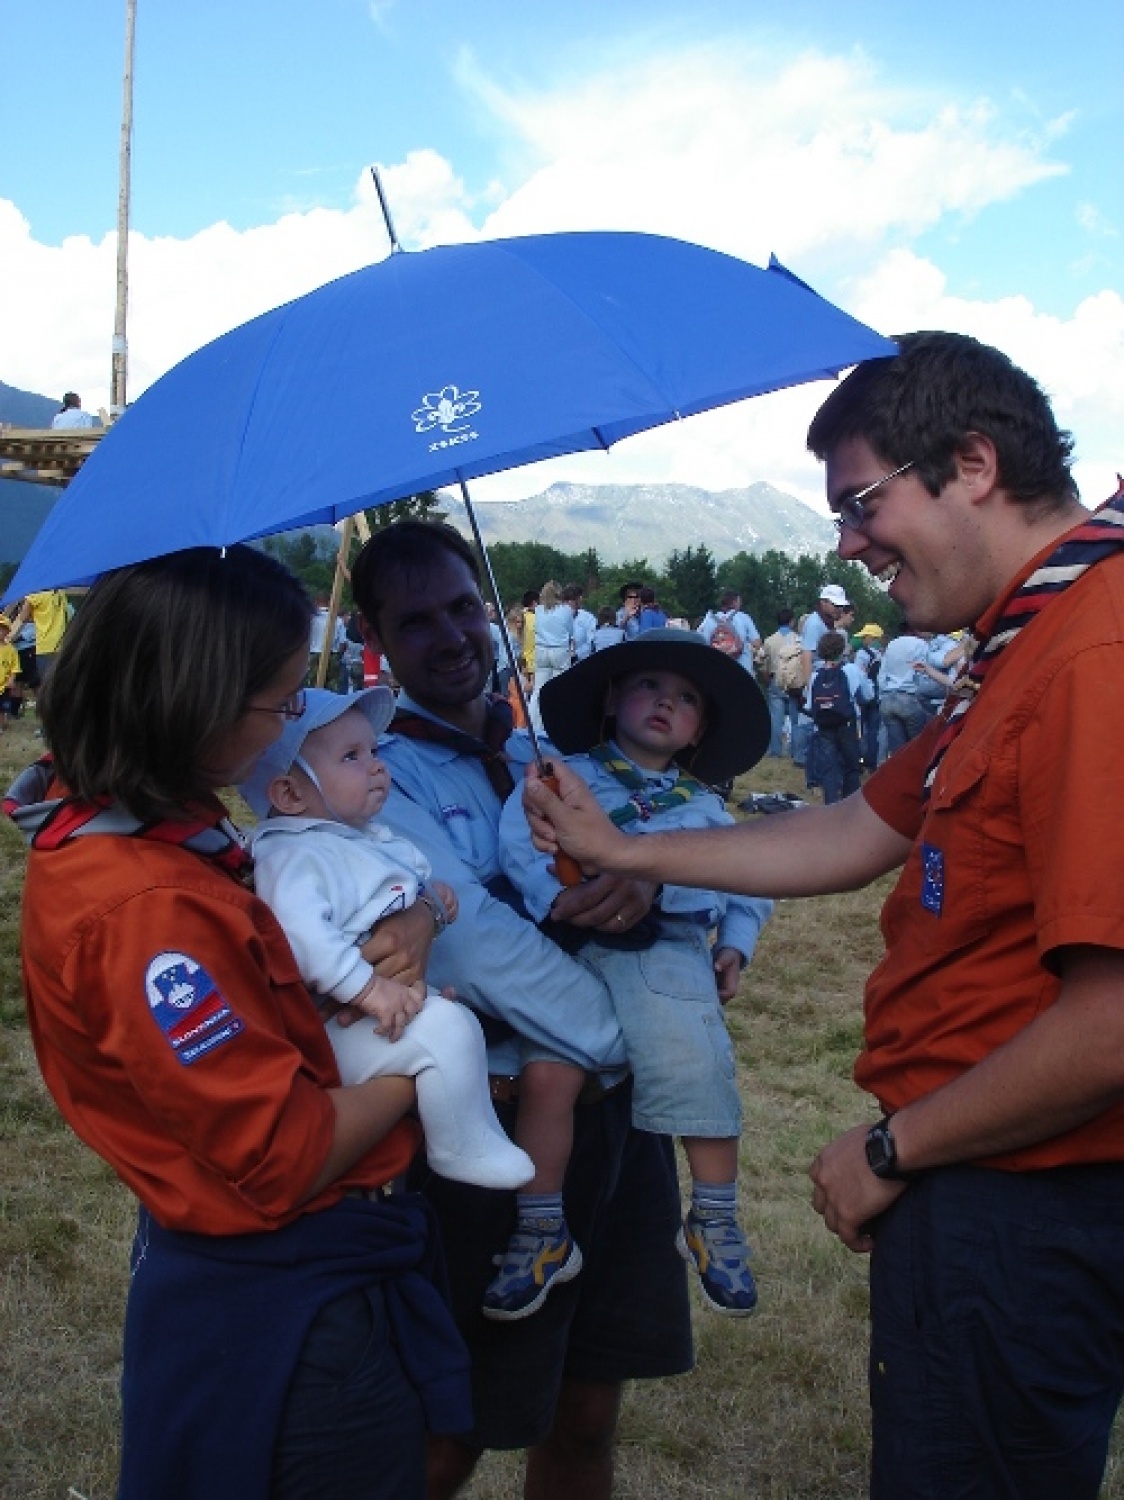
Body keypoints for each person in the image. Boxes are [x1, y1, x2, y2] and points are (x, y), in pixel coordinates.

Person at [523, 331, 1124, 1500]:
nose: (844, 543)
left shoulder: (1091, 650)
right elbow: (852, 829)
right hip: (988, 1173)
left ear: (971, 464)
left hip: (1022, 1195)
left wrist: (894, 1149)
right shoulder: (1024, 643)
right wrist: (621, 844)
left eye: (859, 504)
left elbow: (1109, 1025)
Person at [12, 545, 470, 1499]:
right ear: (198, 703)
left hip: (300, 1272)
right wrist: (427, 1055)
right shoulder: (149, 913)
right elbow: (281, 1152)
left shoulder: (161, 831)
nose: (290, 722)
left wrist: (419, 915)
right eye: (281, 702)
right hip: (286, 1298)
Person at [349, 520, 693, 1500]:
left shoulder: (553, 748)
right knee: (455, 1426)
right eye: (418, 622)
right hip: (498, 1128)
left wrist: (647, 880)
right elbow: (470, 945)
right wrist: (634, 1035)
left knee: (587, 1409)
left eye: (464, 606)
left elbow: (661, 840)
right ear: (376, 638)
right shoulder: (378, 779)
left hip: (619, 1119)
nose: (454, 635)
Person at [493, 629, 773, 1320]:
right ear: (613, 697)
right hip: (569, 945)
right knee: (546, 1077)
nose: (665, 703)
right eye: (649, 685)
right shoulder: (562, 776)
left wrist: (736, 944)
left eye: (686, 699)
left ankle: (713, 1216)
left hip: (667, 949)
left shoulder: (705, 809)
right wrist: (555, 896)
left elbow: (750, 881)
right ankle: (542, 1228)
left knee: (697, 1062)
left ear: (698, 731)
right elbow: (520, 838)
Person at [241, 686, 534, 1193]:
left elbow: (399, 891)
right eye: (351, 757)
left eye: (373, 750)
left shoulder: (358, 837)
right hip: (331, 1027)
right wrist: (370, 989)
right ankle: (458, 1147)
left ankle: (475, 1133)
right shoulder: (292, 857)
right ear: (289, 794)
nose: (377, 766)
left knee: (458, 1024)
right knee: (445, 1032)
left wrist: (432, 902)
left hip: (375, 1006)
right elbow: (304, 939)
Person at [805, 630, 872, 803]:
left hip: (824, 725)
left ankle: (831, 803)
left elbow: (809, 705)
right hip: (847, 723)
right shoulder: (851, 670)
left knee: (829, 767)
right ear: (842, 649)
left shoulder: (815, 675)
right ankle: (850, 805)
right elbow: (867, 695)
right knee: (851, 765)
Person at [759, 607, 804, 756]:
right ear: (792, 622)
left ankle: (775, 750)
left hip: (775, 679)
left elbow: (763, 666)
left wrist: (768, 681)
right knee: (795, 718)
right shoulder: (798, 639)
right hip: (794, 681)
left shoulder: (769, 641)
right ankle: (795, 751)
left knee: (775, 718)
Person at [8, 588, 69, 687]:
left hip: (45, 646)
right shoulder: (60, 593)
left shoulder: (35, 595)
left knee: (47, 684)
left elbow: (23, 617)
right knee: (62, 682)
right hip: (63, 643)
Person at [698, 589, 762, 674]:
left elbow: (702, 644)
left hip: (717, 670)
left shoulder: (709, 620)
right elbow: (757, 643)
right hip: (742, 670)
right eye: (739, 602)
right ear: (734, 602)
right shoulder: (744, 618)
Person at [0, 613, 19, 728]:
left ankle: (2, 724)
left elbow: (14, 667)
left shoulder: (11, 650)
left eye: (2, 629)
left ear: (7, 631)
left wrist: (11, 680)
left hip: (4, 684)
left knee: (2, 708)